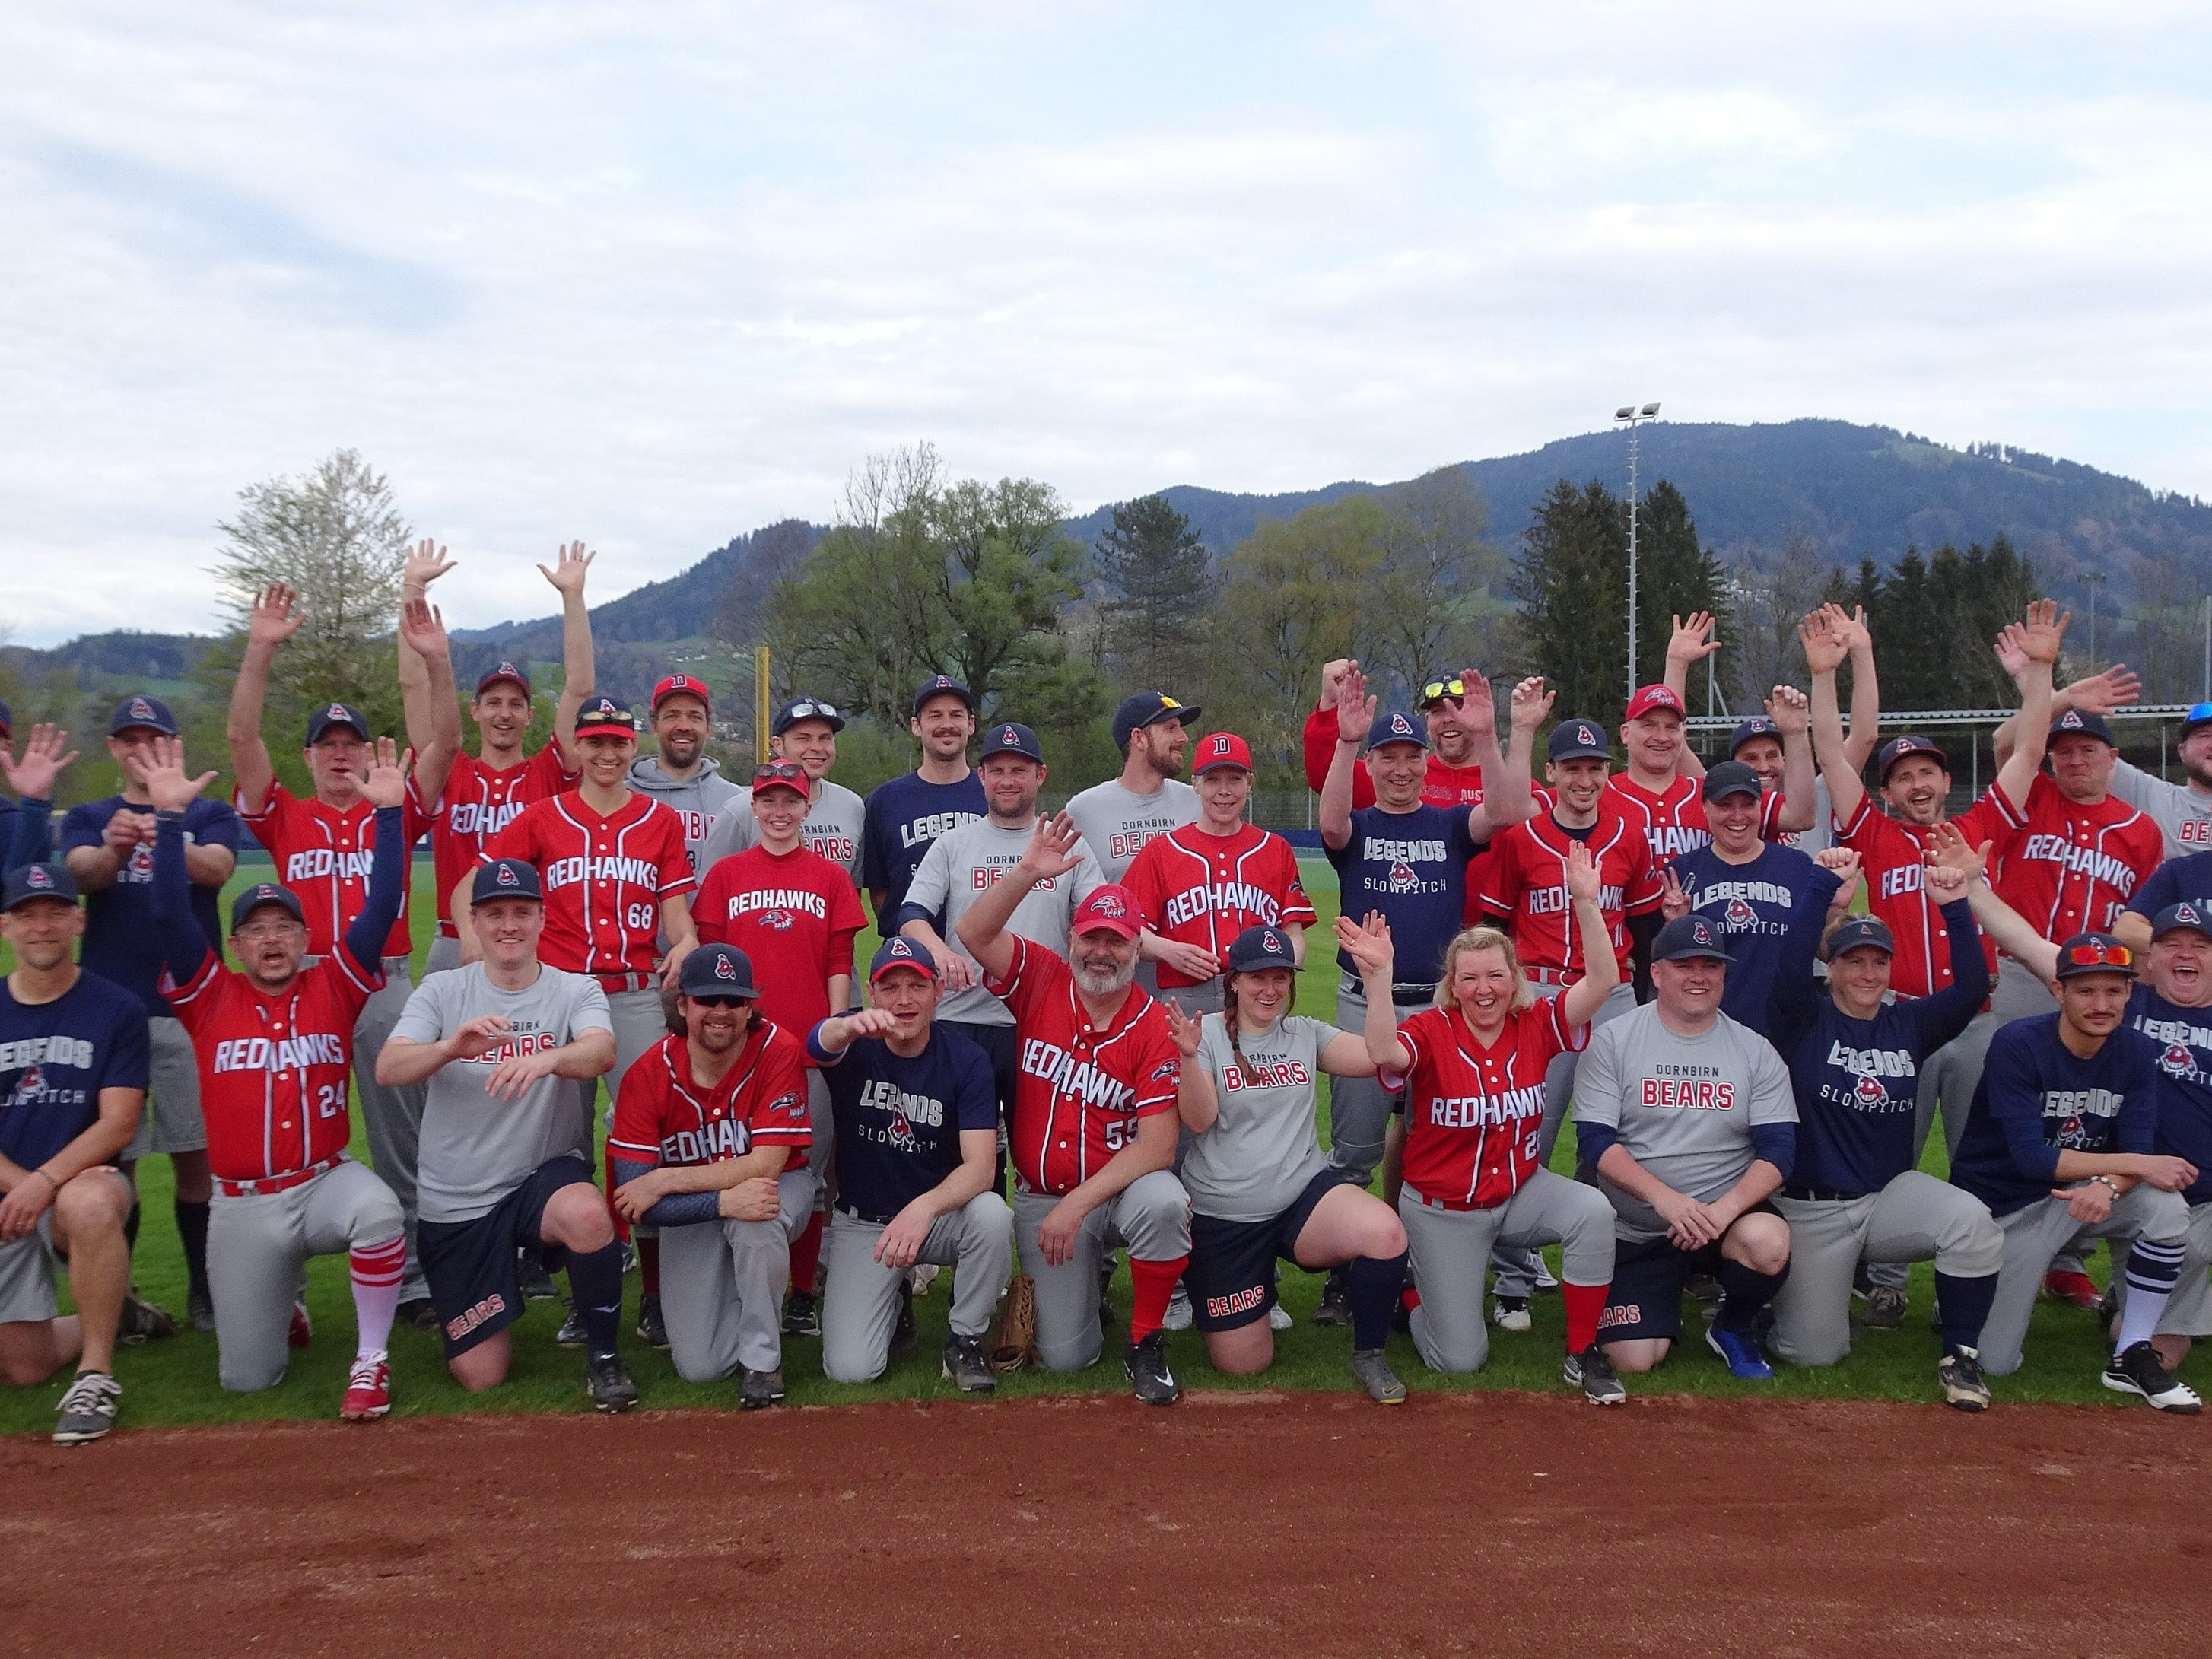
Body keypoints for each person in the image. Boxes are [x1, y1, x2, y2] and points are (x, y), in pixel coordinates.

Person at [149, 736, 413, 1419]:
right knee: (248, 1379)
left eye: (285, 928)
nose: (272, 940)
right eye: (257, 929)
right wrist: (169, 822)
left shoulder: (335, 984)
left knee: (380, 1209)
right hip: (241, 1204)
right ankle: (277, 1303)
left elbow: (381, 909)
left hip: (325, 1181)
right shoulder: (211, 995)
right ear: (235, 945)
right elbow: (167, 916)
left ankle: (371, 1360)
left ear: (304, 938)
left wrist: (387, 816)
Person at [228, 584, 455, 1324]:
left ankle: (419, 1276)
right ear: (309, 757)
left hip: (381, 984)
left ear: (365, 752)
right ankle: (283, 1290)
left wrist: (437, 664)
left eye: (350, 744)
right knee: (290, 1137)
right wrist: (260, 649)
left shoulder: (394, 805)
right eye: (327, 747)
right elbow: (240, 742)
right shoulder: (286, 815)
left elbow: (446, 746)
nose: (339, 755)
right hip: (296, 992)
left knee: (401, 1136)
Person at [1341, 843, 1629, 1405]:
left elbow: (1602, 981)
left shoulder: (1538, 1021)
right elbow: (1384, 1051)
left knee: (1594, 1211)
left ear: (1514, 976)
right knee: (1459, 1359)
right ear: (1452, 984)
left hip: (1519, 1190)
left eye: (1495, 974)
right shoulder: (1431, 1029)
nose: (1484, 988)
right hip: (1443, 1211)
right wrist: (1379, 982)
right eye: (1469, 977)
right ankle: (1413, 1296)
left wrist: (1586, 902)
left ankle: (1582, 1352)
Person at [1315, 667, 1540, 1324]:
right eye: (1389, 757)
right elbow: (1330, 825)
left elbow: (1504, 811)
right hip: (1366, 1002)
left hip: (1441, 1011)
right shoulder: (1357, 824)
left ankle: (1407, 1252)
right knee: (1355, 1146)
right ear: (1375, 763)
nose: (1403, 769)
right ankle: (1342, 1265)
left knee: (1427, 1137)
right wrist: (1347, 743)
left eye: (1412, 756)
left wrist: (1489, 737)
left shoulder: (1446, 824)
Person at [377, 853, 628, 1408]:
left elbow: (601, 1051)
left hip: (538, 1176)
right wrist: (448, 1048)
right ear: (474, 921)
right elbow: (388, 1068)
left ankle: (605, 1358)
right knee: (481, 1374)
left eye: (521, 911)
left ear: (542, 918)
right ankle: (501, 1278)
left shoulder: (573, 989)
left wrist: (548, 1059)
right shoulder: (443, 991)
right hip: (460, 1196)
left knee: (587, 1213)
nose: (508, 925)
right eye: (494, 913)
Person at [1760, 840, 2003, 1409]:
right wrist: (1822, 885)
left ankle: (1960, 1355)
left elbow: (1971, 988)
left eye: (1878, 960)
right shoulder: (1803, 1017)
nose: (1868, 971)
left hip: (1888, 1197)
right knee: (1812, 1353)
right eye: (1854, 959)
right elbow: (1788, 960)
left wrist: (1954, 906)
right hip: (1813, 1208)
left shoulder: (1910, 1023)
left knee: (1971, 1222)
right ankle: (1777, 1301)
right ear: (1834, 965)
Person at [955, 819, 1190, 1404]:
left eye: (1116, 940)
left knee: (1165, 1201)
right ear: (1071, 939)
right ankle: (1089, 1287)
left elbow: (1159, 1148)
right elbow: (972, 930)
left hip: (1114, 1191)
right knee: (1067, 1358)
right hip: (1043, 1193)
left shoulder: (1155, 1024)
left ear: (1138, 948)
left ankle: (1146, 1342)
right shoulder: (1041, 977)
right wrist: (1028, 872)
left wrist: (1078, 1205)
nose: (1101, 951)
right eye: (1091, 937)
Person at [1942, 918, 2200, 1409]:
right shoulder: (2019, 1044)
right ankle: (1964, 1290)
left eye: (2113, 990)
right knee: (1995, 1360)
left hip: (2079, 1196)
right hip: (2009, 1207)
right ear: (2058, 990)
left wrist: (2108, 1183)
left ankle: (2131, 1355)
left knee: (2165, 1208)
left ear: (2130, 992)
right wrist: (2127, 1168)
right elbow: (2032, 1158)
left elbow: (2138, 1143)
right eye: (2085, 991)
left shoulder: (2137, 1051)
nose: (2101, 1005)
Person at [1161, 925, 1410, 1402]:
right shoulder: (1206, 1032)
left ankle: (1371, 1353)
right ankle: (1243, 1290)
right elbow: (1199, 1118)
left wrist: (1379, 981)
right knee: (1245, 1365)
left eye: (1281, 978)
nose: (1270, 990)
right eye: (1257, 977)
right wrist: (1189, 1060)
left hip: (1301, 1200)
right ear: (1234, 980)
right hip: (1226, 1215)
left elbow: (1382, 1056)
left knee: (1385, 1232)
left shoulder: (1304, 1033)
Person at [60, 695, 239, 1333]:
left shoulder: (207, 809)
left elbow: (217, 869)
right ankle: (122, 1295)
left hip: (189, 1008)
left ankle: (206, 1290)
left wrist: (166, 826)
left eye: (154, 737)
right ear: (114, 747)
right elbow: (82, 874)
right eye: (130, 739)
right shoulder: (91, 813)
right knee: (117, 1160)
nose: (143, 748)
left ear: (174, 743)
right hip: (113, 1012)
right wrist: (113, 848)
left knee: (198, 1155)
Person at [1477, 716, 1661, 1321]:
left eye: (1595, 767)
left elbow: (1645, 925)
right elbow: (1493, 930)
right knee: (1529, 1131)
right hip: (1544, 998)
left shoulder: (1630, 836)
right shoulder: (1520, 840)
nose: (1585, 779)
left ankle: (1603, 1256)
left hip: (1613, 1002)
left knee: (1616, 1134)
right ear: (1550, 773)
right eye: (1573, 767)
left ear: (1608, 772)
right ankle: (1512, 1275)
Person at [1575, 914, 1797, 1380]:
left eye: (1711, 965)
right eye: (1684, 964)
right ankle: (1661, 1303)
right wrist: (1666, 1200)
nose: (1699, 976)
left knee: (1768, 1242)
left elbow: (1780, 1150)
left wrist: (1721, 1210)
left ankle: (1733, 1325)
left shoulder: (1754, 1049)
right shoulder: (1615, 1039)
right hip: (1639, 1227)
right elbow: (1595, 1143)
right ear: (1656, 972)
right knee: (1633, 1361)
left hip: (1723, 1220)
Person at [694, 759, 868, 1339]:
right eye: (768, 800)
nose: (778, 811)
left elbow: (838, 960)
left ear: (807, 807)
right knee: (732, 1170)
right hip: (736, 1052)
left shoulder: (829, 876)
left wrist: (833, 1028)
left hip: (804, 1049)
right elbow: (709, 964)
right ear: (753, 806)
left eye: (789, 800)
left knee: (808, 1176)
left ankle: (799, 1294)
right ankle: (731, 1279)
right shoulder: (726, 874)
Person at [608, 945, 815, 1408]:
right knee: (701, 1368)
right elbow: (633, 1199)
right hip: (696, 1212)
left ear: (749, 1007)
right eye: (707, 1000)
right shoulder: (647, 1075)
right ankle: (748, 1301)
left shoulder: (777, 1049)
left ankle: (763, 1362)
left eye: (735, 1000)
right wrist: (718, 1202)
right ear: (682, 1006)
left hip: (780, 1188)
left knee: (755, 1215)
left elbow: (766, 1166)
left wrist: (664, 1180)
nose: (721, 1012)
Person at [810, 937, 1012, 1391]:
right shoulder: (854, 1041)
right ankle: (894, 1295)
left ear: (938, 992)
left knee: (993, 1215)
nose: (904, 1000)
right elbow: (816, 1044)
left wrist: (922, 1209)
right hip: (866, 1223)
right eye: (890, 987)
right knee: (851, 1370)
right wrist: (845, 1027)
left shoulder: (966, 1059)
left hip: (938, 1219)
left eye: (917, 985)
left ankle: (965, 1339)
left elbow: (981, 1169)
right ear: (872, 992)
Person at [895, 722, 1106, 1138]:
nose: (1007, 781)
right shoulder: (955, 843)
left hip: (1039, 1021)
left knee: (1040, 1143)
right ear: (982, 777)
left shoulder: (1067, 844)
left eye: (1019, 770)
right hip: (961, 1017)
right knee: (966, 1149)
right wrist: (940, 951)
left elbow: (1099, 919)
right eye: (998, 771)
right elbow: (911, 916)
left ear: (1040, 775)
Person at [0, 861, 146, 1444]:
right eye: (27, 915)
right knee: (24, 1367)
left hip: (83, 1186)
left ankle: (95, 1373)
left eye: (56, 912)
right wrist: (23, 1186)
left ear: (79, 920)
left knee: (88, 1203)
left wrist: (45, 1183)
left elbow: (119, 1121)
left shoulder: (115, 1007)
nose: (43, 926)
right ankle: (117, 1311)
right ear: (5, 926)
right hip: (11, 1193)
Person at [402, 539, 593, 976]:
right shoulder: (451, 768)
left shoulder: (549, 771)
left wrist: (573, 598)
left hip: (533, 943)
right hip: (456, 940)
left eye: (514, 704)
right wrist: (412, 589)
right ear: (475, 711)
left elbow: (579, 689)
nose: (503, 713)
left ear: (529, 715)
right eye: (493, 702)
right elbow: (413, 687)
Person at [1123, 731, 1316, 1017]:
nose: (1224, 791)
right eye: (1213, 780)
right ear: (1195, 785)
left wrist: (1277, 974)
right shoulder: (1162, 851)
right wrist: (1170, 951)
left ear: (1249, 783)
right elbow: (1128, 928)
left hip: (1254, 993)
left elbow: (1293, 933)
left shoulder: (1275, 850)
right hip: (1184, 996)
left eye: (1235, 780)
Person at [1657, 761, 1851, 1039]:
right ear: (1705, 808)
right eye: (1725, 805)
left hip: (1788, 1027)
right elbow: (1660, 962)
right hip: (1711, 1029)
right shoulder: (1683, 871)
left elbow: (1822, 951)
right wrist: (1675, 927)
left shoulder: (1796, 866)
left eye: (1748, 804)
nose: (1738, 816)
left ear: (1761, 806)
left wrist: (1834, 909)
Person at [2112, 902, 2212, 1375]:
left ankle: (2142, 1312)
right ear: (2148, 960)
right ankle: (2143, 1316)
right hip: (2138, 1188)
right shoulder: (2122, 1001)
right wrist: (1970, 888)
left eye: (2200, 946)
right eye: (2171, 944)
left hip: (2209, 1200)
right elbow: (2033, 948)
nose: (2184, 953)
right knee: (2158, 1351)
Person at [860, 675, 986, 927]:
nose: (946, 724)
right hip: (911, 956)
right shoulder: (884, 801)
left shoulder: (993, 794)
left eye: (956, 715)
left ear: (971, 724)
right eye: (935, 715)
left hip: (983, 953)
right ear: (916, 726)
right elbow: (880, 891)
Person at [701, 697, 865, 882]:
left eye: (825, 738)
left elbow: (853, 891)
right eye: (803, 738)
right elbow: (710, 889)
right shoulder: (739, 810)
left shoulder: (852, 805)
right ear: (778, 745)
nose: (817, 748)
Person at [1063, 691, 1201, 885]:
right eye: (1170, 728)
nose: (1184, 737)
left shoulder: (1197, 802)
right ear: (1138, 738)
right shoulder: (1083, 810)